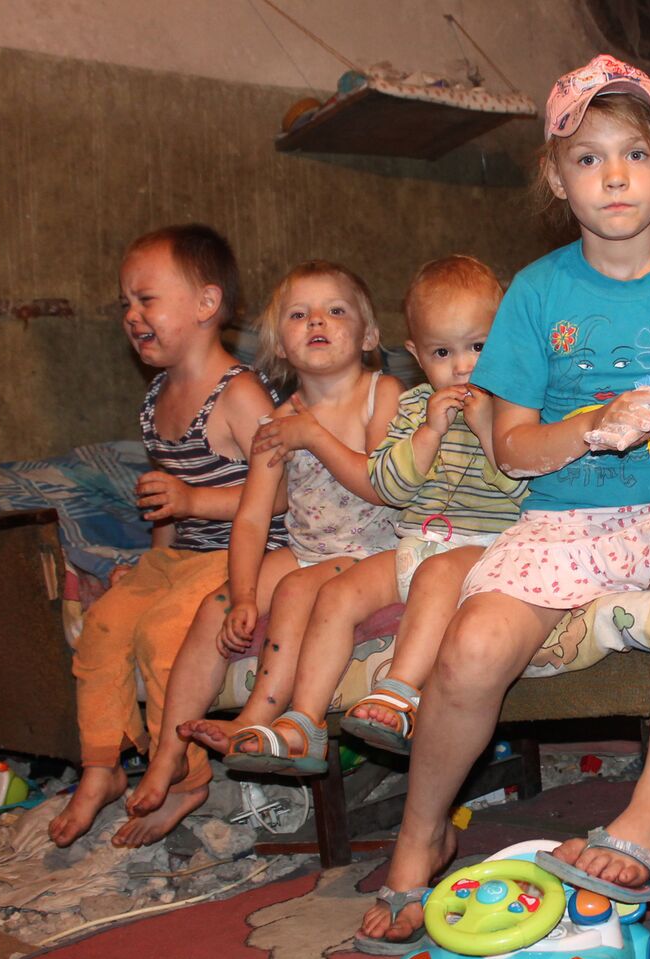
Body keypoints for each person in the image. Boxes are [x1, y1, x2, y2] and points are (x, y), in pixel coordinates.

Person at [354, 54, 650, 951]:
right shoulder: (536, 293)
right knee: (468, 651)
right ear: (555, 177)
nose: (613, 175)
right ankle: (420, 834)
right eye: (587, 158)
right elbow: (512, 449)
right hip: (559, 520)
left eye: (633, 153)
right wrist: (588, 426)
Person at [185, 255, 527, 775]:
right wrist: (429, 434)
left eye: (478, 348)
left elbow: (525, 490)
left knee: (435, 574)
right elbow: (389, 485)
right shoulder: (414, 408)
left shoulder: (516, 410)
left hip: (481, 548)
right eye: (442, 352)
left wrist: (485, 429)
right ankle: (303, 724)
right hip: (412, 543)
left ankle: (401, 694)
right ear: (415, 354)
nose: (462, 366)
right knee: (335, 594)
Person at [117, 260, 401, 842]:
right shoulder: (278, 418)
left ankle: (257, 722)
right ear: (279, 345)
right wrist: (245, 595)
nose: (316, 321)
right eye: (298, 315)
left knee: (299, 590)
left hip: (374, 545)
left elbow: (382, 484)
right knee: (213, 610)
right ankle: (169, 754)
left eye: (335, 311)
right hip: (304, 545)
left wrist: (315, 437)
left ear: (369, 336)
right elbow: (251, 516)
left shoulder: (383, 393)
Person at [48, 224, 285, 848]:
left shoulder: (240, 392)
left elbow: (284, 493)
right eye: (125, 302)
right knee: (102, 627)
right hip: (181, 556)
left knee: (164, 634)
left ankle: (185, 776)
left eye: (146, 299)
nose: (131, 314)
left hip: (243, 556)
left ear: (206, 305)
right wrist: (150, 569)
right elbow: (168, 509)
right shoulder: (156, 398)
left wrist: (192, 500)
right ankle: (98, 768)